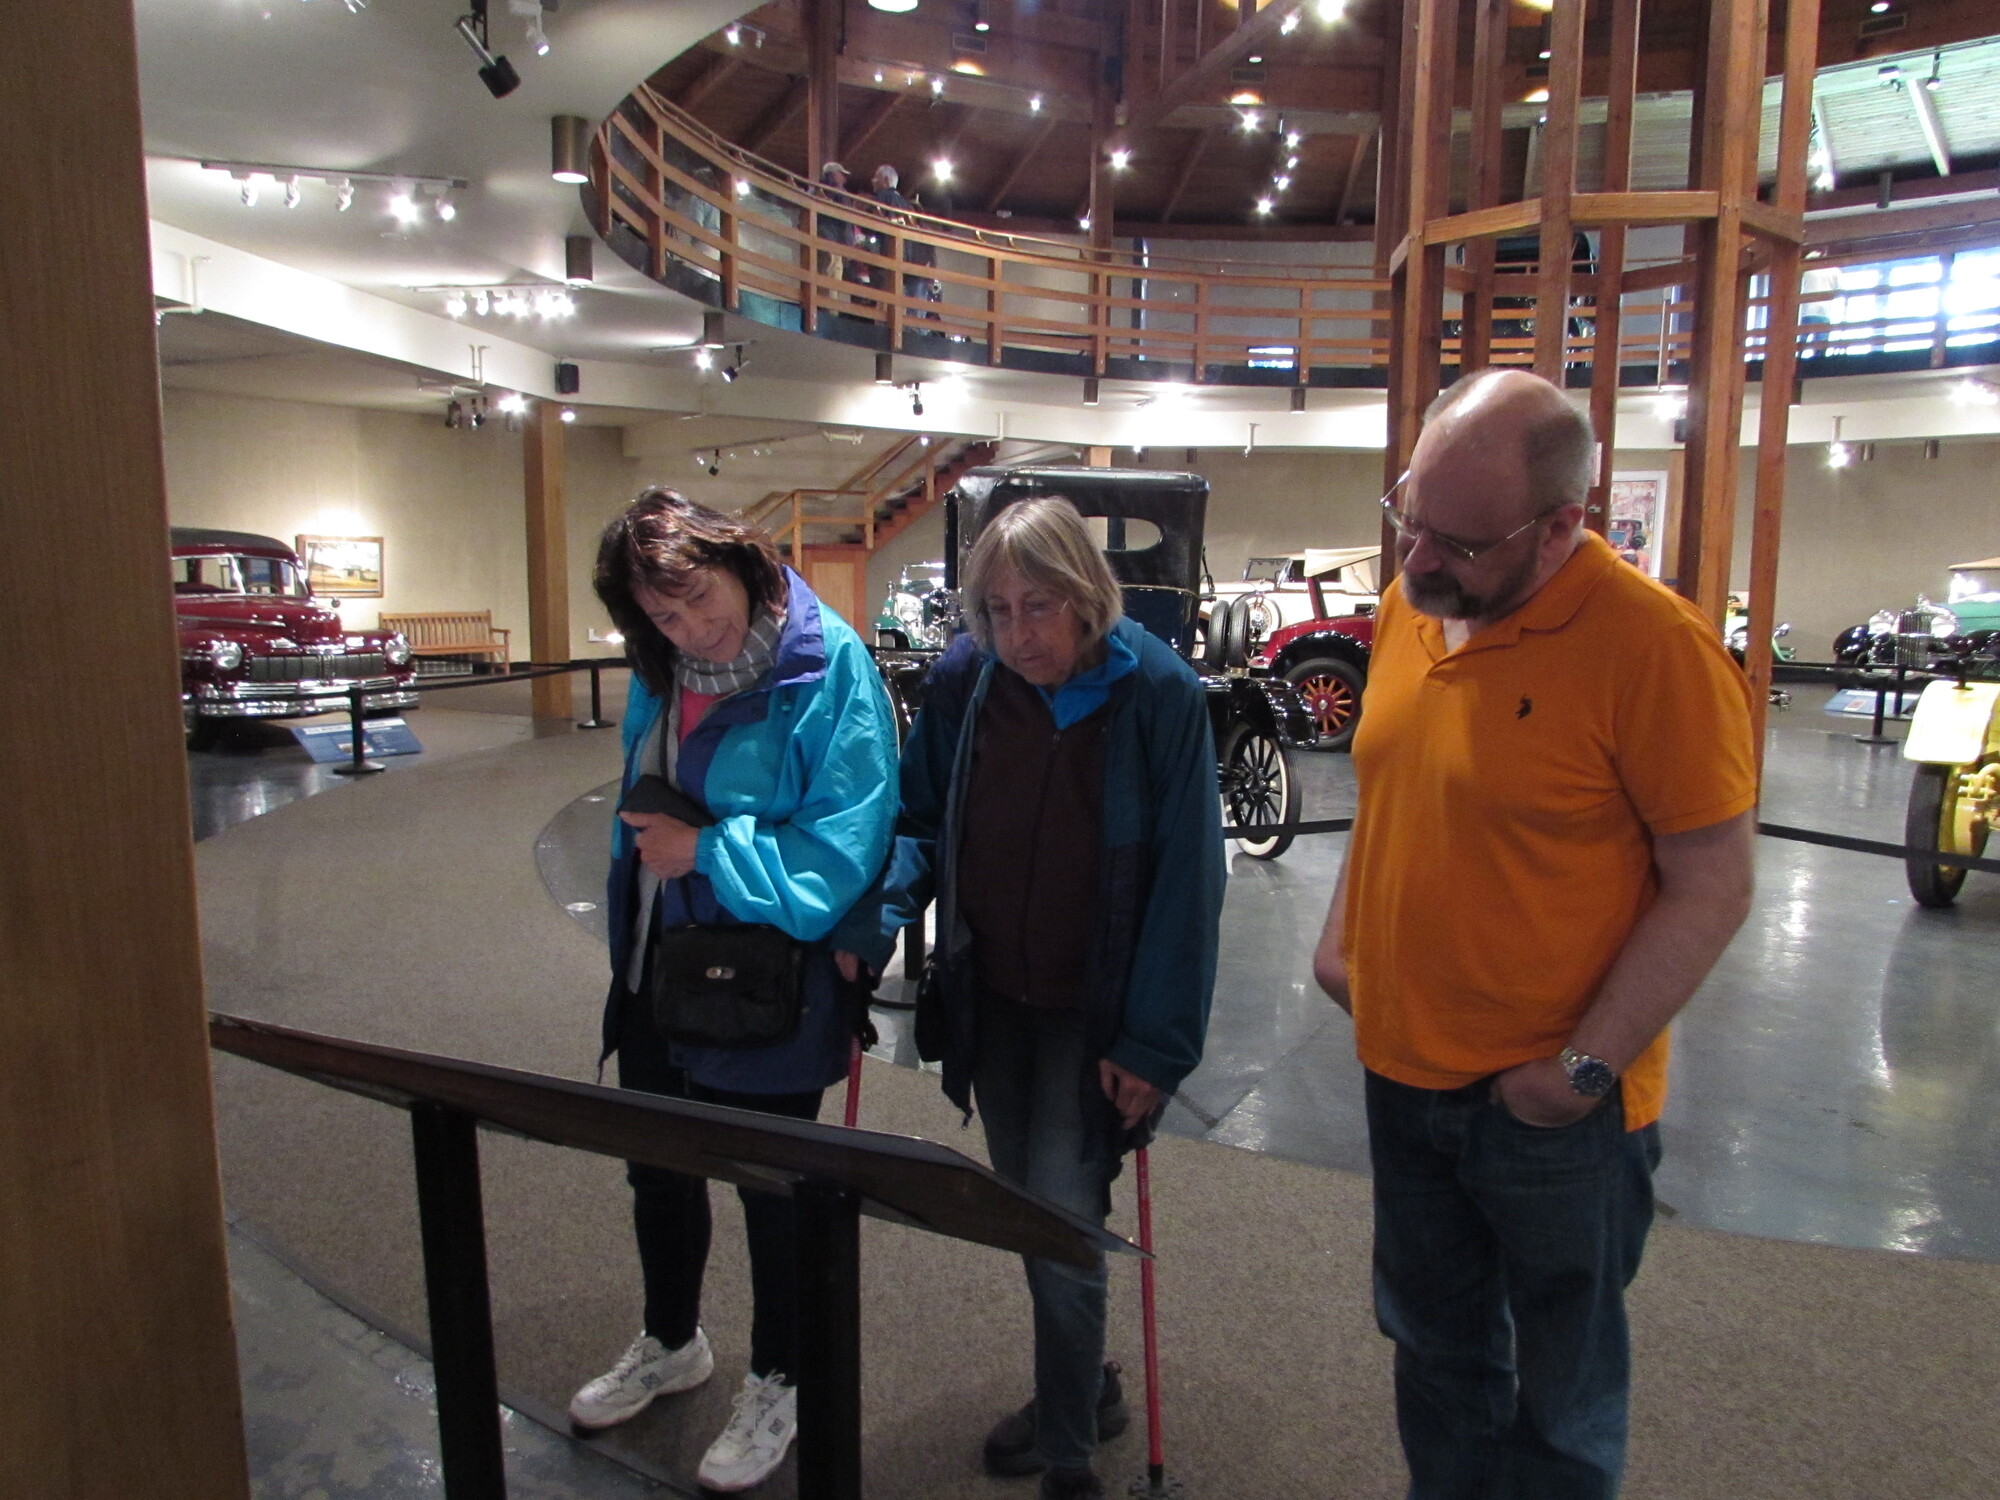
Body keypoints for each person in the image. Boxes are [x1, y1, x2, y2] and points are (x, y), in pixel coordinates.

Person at [1313, 369, 1757, 1499]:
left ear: (1562, 526)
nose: (1418, 560)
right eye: (1408, 517)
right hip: (1402, 1072)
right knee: (1434, 1351)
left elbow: (1711, 885)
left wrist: (1579, 1071)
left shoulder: (1653, 649)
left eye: (1459, 542)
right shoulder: (1414, 601)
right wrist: (1341, 938)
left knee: (1562, 1397)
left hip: (1552, 1110)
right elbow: (1391, 778)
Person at [837, 496, 1226, 1500]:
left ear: (1086, 595)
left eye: (1039, 607)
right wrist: (873, 924)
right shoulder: (969, 681)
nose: (1018, 634)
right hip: (992, 998)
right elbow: (920, 819)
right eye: (998, 611)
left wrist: (1155, 1042)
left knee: (1056, 1218)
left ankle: (1066, 1456)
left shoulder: (1157, 691)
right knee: (1036, 1211)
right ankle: (1084, 1385)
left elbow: (1188, 880)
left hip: (1092, 1014)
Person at [570, 489, 898, 1492]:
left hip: (765, 983)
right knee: (658, 1167)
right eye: (661, 615)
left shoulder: (825, 664)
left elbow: (840, 852)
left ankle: (779, 1378)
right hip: (656, 963)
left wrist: (703, 850)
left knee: (772, 1192)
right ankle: (672, 1340)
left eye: (699, 599)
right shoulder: (662, 666)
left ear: (742, 564)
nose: (689, 628)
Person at [868, 163, 939, 311]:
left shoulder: (883, 197)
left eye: (876, 177)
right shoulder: (906, 206)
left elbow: (868, 225)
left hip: (887, 257)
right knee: (899, 304)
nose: (873, 181)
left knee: (885, 302)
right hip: (906, 262)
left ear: (886, 180)